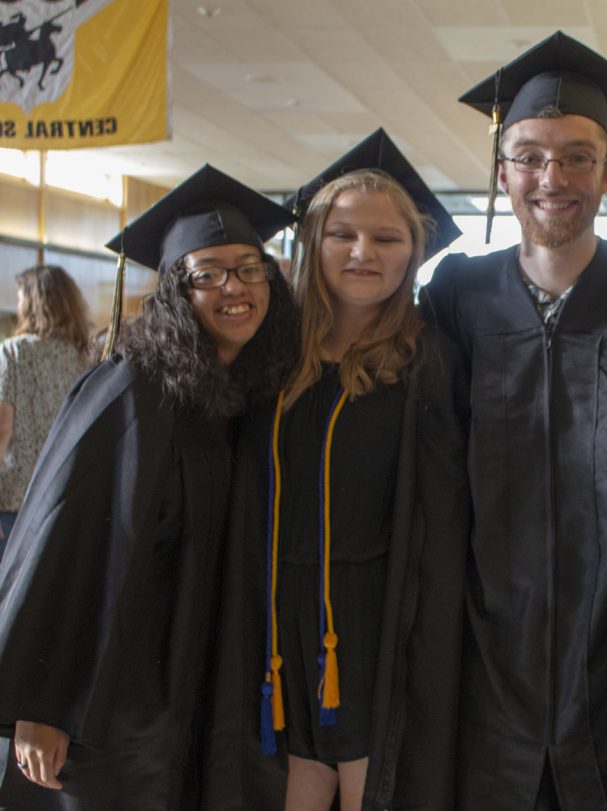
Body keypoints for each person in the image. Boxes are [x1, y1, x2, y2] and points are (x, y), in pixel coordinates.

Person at [0, 164, 298, 809]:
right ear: (173, 292)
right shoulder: (130, 389)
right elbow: (59, 535)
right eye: (208, 273)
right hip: (116, 693)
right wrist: (42, 703)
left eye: (251, 268)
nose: (235, 288)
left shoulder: (249, 396)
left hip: (207, 679)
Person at [421, 31, 607, 810]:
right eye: (529, 156)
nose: (551, 176)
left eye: (576, 156)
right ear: (502, 173)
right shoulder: (458, 297)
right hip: (488, 645)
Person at [232, 129, 468, 811]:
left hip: (376, 618)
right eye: (342, 234)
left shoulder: (430, 361)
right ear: (313, 241)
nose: (363, 252)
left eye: (387, 239)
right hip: (273, 618)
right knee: (292, 785)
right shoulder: (267, 355)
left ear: (414, 252)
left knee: (373, 785)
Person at [0, 264, 91, 553]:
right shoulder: (85, 358)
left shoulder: (14, 352)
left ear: (32, 302)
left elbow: (2, 428)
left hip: (17, 500)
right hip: (65, 497)